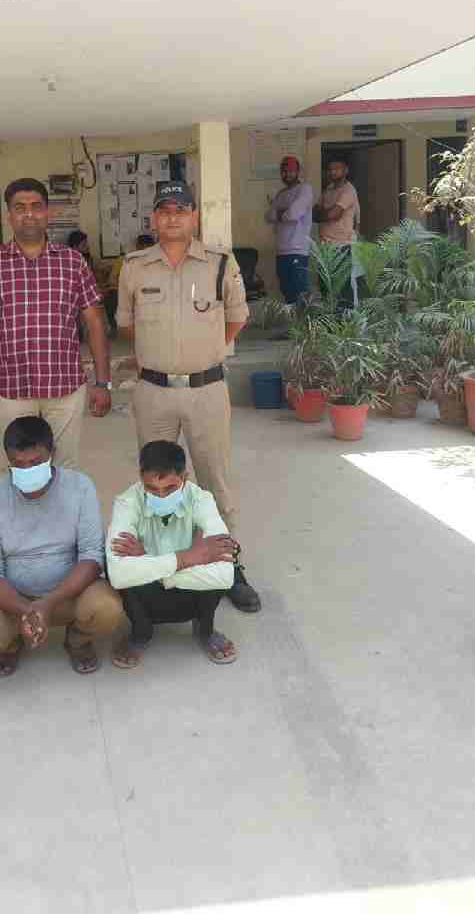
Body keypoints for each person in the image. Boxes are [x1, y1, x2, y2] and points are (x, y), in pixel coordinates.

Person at [116, 181, 261, 614]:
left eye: (181, 209)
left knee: (215, 482)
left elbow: (236, 319)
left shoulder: (220, 263)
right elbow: (128, 324)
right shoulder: (135, 267)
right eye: (164, 210)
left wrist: (203, 353)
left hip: (206, 390)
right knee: (156, 484)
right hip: (154, 392)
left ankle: (230, 566)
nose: (173, 217)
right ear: (153, 218)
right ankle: (159, 567)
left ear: (194, 216)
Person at [0, 178, 112, 468]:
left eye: (36, 206)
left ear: (48, 212)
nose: (28, 214)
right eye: (19, 207)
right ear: (9, 215)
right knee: (21, 470)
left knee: (65, 469)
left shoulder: (73, 262)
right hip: (12, 390)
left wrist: (103, 382)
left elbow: (94, 322)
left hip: (65, 388)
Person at [0, 416, 122, 677]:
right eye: (18, 464)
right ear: (8, 460)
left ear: (52, 454)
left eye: (36, 462)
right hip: (15, 601)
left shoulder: (80, 487)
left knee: (108, 609)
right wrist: (26, 609)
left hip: (71, 595)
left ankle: (78, 639)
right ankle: (12, 643)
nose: (27, 470)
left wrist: (48, 603)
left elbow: (92, 557)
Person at [107, 440, 238, 668]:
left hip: (187, 591)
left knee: (220, 560)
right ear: (141, 478)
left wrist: (146, 560)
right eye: (151, 488)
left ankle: (205, 629)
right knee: (115, 565)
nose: (160, 496)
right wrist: (188, 558)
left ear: (184, 478)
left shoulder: (202, 500)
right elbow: (118, 575)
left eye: (169, 488)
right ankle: (141, 633)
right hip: (148, 593)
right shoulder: (127, 502)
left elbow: (225, 576)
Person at [264, 155, 313, 305]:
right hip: (281, 251)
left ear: (298, 172)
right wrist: (285, 212)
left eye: (291, 171)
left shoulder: (304, 189)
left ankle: (303, 321)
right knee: (287, 293)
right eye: (284, 171)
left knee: (299, 294)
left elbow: (293, 214)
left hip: (298, 250)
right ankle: (293, 321)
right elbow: (269, 216)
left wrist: (280, 213)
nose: (287, 174)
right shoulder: (281, 194)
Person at [313, 159, 361, 310]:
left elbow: (333, 214)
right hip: (325, 247)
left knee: (342, 289)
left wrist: (325, 213)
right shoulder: (328, 189)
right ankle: (332, 320)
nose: (333, 172)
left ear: (345, 170)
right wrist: (326, 214)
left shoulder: (348, 190)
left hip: (341, 247)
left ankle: (347, 321)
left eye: (337, 168)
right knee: (326, 287)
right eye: (330, 169)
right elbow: (314, 213)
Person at [105, 233, 154, 336]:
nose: (145, 251)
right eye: (142, 247)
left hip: (149, 292)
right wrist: (125, 287)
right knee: (110, 297)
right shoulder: (126, 260)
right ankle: (114, 327)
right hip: (126, 290)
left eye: (148, 248)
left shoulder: (157, 261)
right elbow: (111, 280)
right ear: (137, 246)